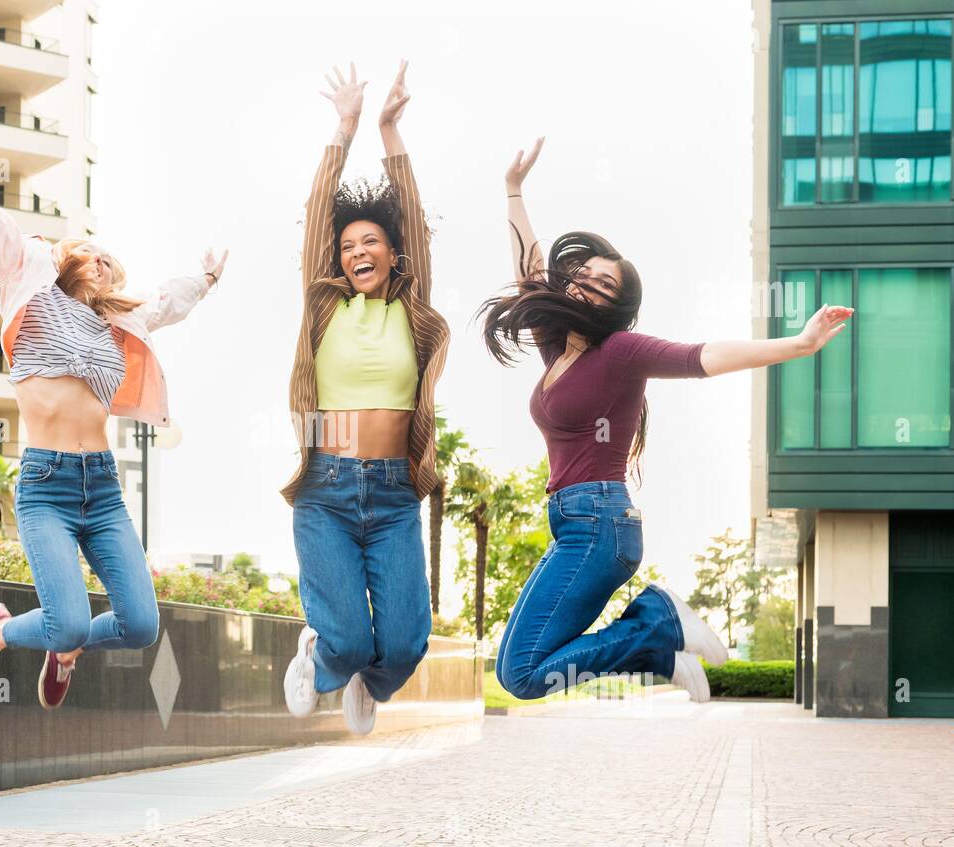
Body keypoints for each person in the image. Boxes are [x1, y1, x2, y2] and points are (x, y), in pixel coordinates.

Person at [0, 74, 227, 709]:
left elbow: (164, 304)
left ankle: (65, 649)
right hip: (45, 485)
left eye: (110, 263)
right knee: (65, 618)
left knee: (140, 625)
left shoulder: (113, 320)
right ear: (68, 255)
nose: (103, 263)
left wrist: (204, 279)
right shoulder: (22, 274)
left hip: (100, 487)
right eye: (94, 254)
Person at [481, 137, 851, 703]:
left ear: (616, 307)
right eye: (585, 275)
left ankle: (660, 620)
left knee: (523, 675)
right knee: (518, 665)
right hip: (573, 523)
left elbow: (702, 356)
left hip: (600, 524)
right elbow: (531, 273)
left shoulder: (621, 351)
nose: (588, 286)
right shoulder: (559, 347)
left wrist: (798, 344)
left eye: (607, 287)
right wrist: (513, 190)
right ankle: (657, 648)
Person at [281, 62, 450, 734]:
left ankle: (367, 680)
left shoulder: (413, 311)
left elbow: (413, 217)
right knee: (347, 635)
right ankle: (326, 657)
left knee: (405, 645)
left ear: (392, 252)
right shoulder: (323, 308)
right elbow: (319, 215)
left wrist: (389, 129)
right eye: (348, 245)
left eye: (370, 241)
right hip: (325, 486)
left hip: (392, 494)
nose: (357, 250)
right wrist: (343, 129)